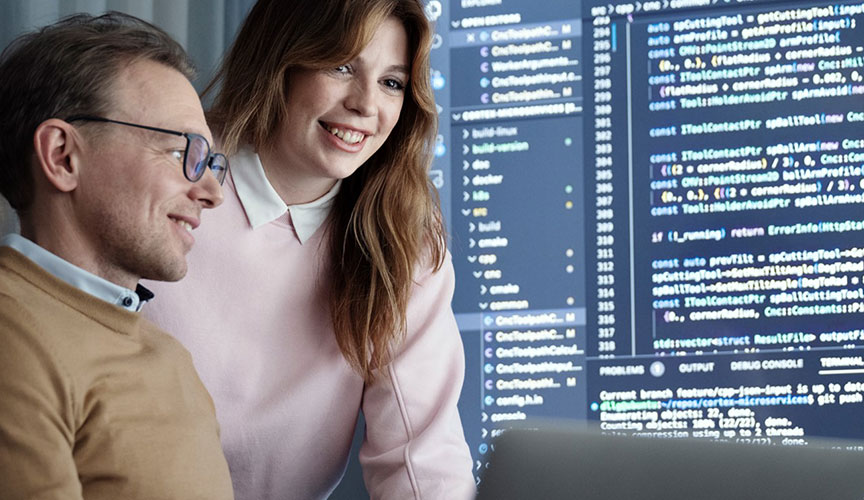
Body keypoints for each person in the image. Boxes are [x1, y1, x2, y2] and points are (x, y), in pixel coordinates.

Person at [142, 0, 476, 498]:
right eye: (341, 66)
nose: (366, 104)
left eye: (392, 82)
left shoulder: (405, 243)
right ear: (282, 62)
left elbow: (421, 459)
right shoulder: (169, 178)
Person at [0, 12, 234, 499]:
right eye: (180, 153)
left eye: (210, 161)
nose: (212, 192)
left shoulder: (172, 358)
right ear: (63, 156)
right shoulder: (12, 337)